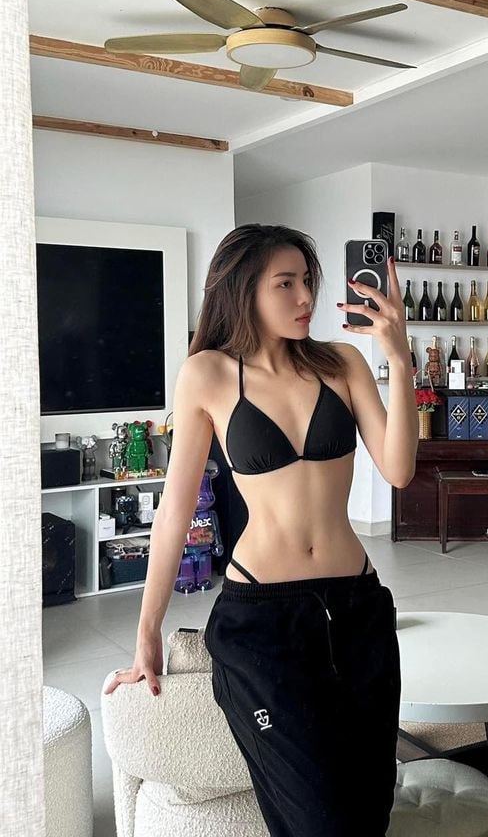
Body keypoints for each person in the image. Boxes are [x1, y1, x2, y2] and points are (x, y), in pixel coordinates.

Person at [104, 223, 419, 837]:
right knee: (317, 816)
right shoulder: (208, 374)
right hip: (262, 622)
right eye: (286, 283)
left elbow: (400, 468)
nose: (305, 298)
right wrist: (147, 635)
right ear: (243, 289)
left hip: (356, 609)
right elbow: (175, 510)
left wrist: (400, 357)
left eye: (308, 281)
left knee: (369, 802)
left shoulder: (342, 362)